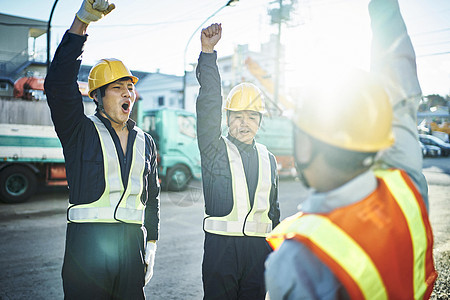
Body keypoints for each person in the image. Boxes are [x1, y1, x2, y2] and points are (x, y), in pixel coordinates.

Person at [264, 0, 437, 299]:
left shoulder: (295, 260)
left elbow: (398, 90)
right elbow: (398, 89)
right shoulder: (406, 186)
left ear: (306, 146)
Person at [44, 0, 160, 298]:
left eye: (130, 88)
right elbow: (58, 83)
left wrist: (151, 244)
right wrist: (81, 24)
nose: (127, 93)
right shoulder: (79, 131)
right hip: (87, 249)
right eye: (117, 87)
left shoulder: (145, 141)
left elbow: (152, 197)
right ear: (97, 96)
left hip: (131, 248)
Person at [196, 23, 281, 300]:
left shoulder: (268, 158)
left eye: (252, 116)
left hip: (259, 254)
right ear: (228, 118)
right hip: (222, 251)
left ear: (260, 121)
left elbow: (273, 212)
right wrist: (208, 54)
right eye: (238, 116)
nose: (245, 123)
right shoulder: (213, 149)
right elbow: (208, 104)